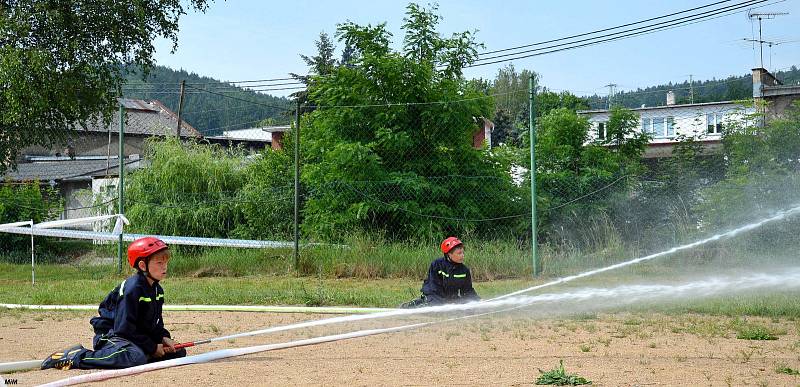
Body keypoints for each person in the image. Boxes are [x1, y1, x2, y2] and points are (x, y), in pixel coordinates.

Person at [41, 237, 186, 370]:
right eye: (159, 262)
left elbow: (155, 324)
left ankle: (141, 355)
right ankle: (78, 356)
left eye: (166, 262)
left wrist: (163, 337)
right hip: (112, 335)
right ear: (143, 265)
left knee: (178, 352)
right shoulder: (133, 288)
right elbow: (123, 329)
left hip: (134, 336)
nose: (165, 267)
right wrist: (152, 347)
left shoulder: (157, 290)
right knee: (135, 357)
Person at [401, 236, 480, 308]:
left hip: (450, 299)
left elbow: (467, 290)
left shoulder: (464, 270)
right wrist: (444, 302)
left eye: (463, 252)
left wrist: (476, 300)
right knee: (433, 306)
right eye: (459, 253)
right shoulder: (437, 264)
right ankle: (413, 305)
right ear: (449, 254)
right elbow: (433, 287)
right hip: (434, 296)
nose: (462, 255)